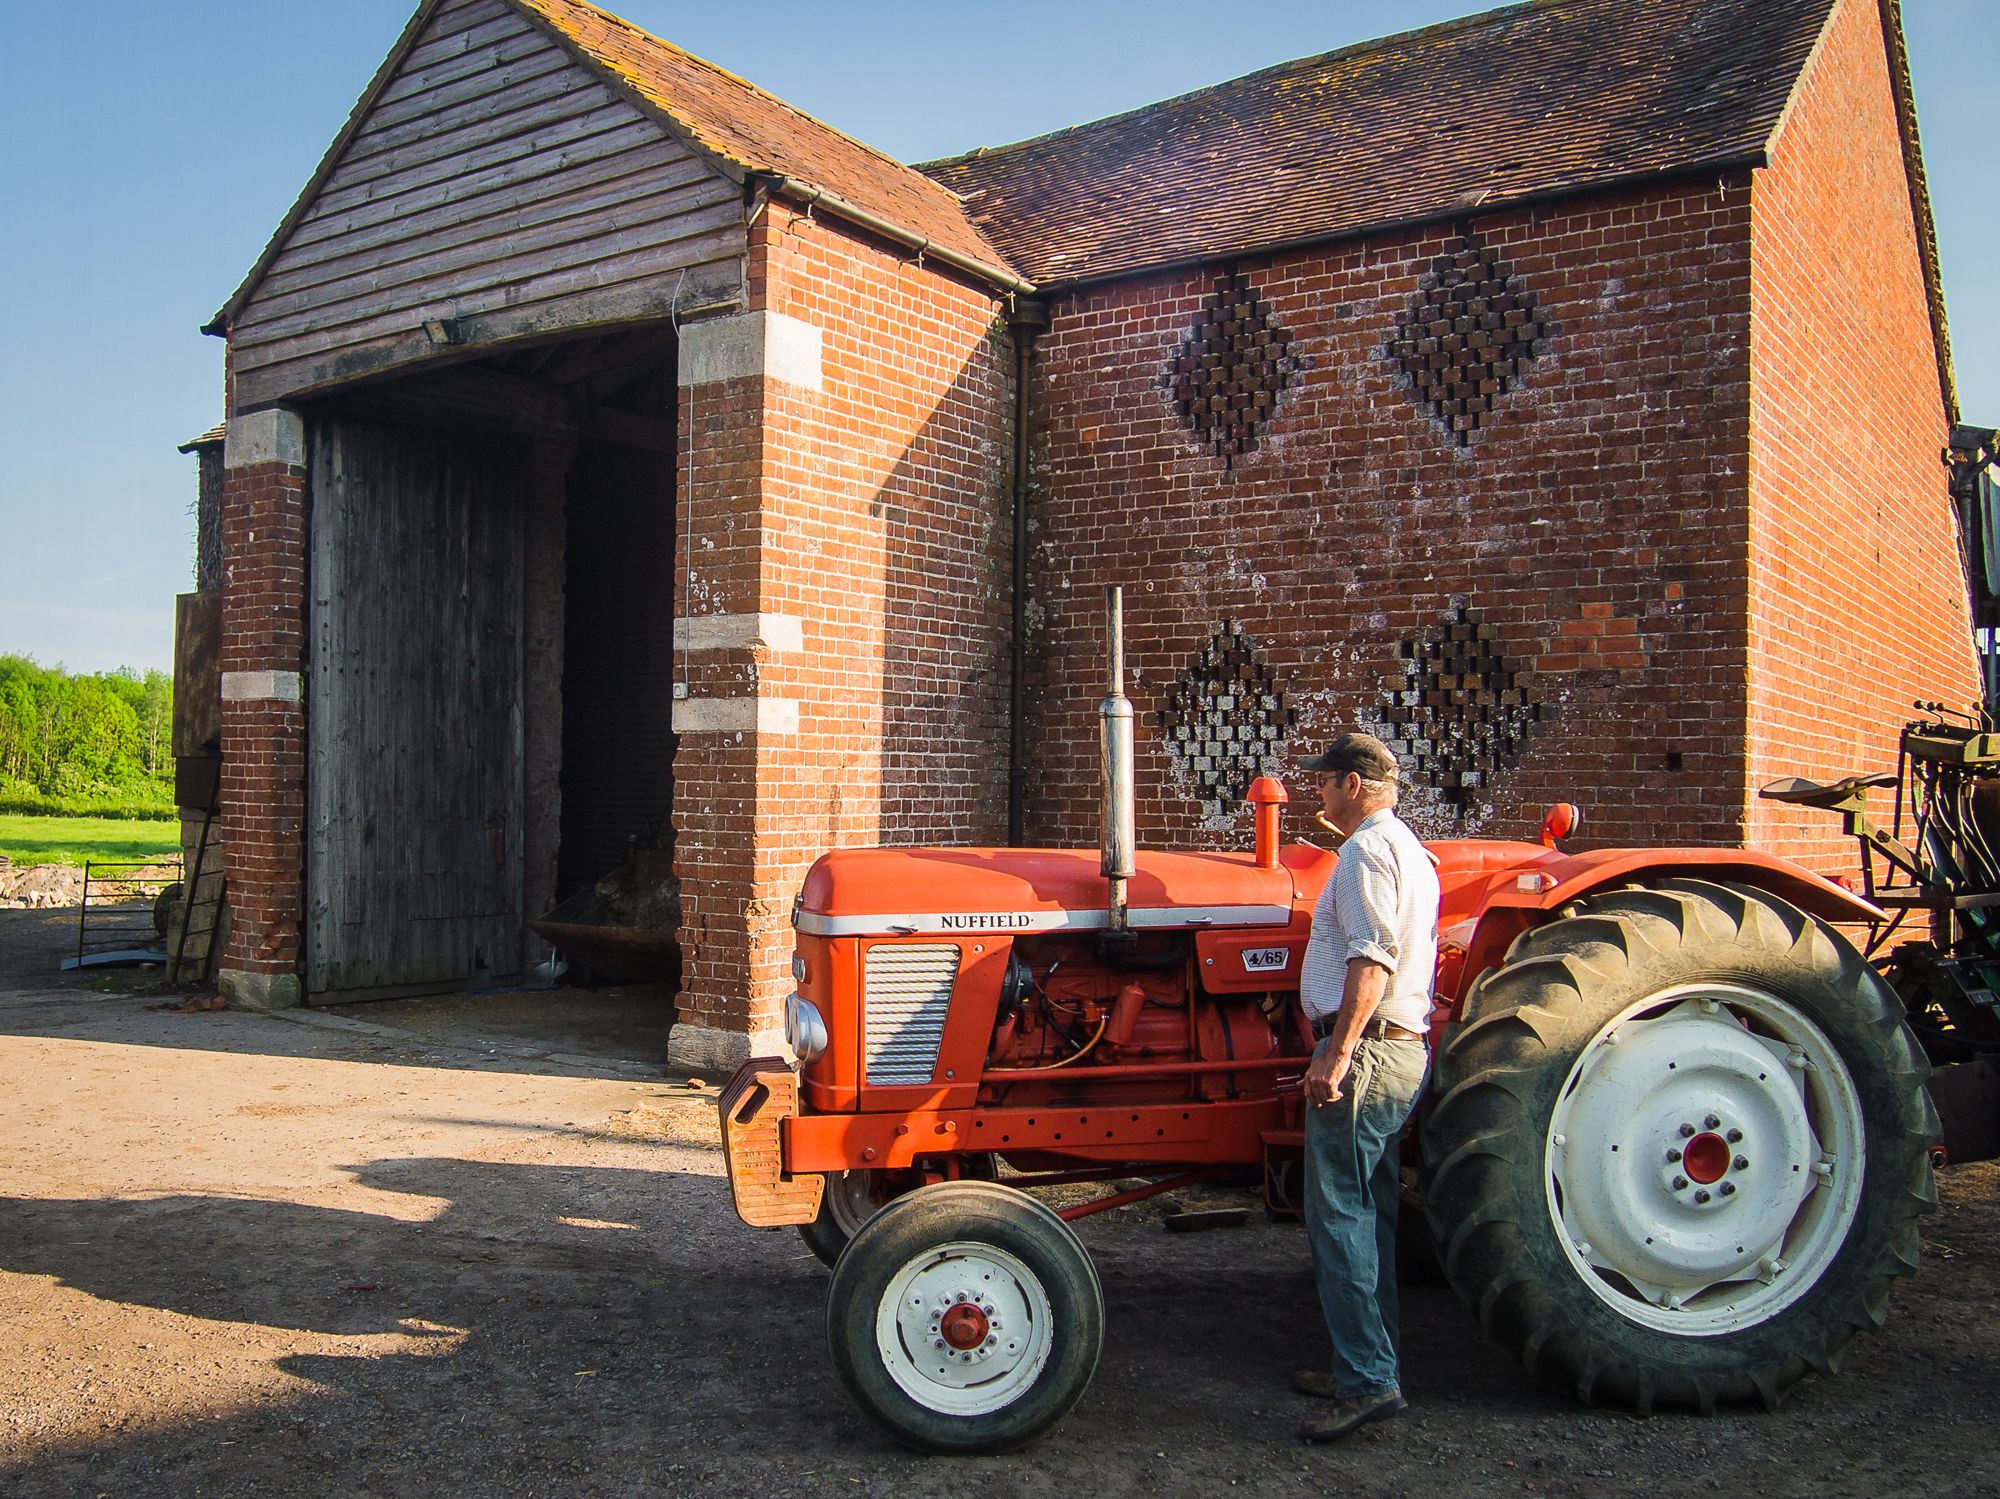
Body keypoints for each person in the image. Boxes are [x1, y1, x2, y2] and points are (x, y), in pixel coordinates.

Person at [1293, 731, 1440, 1443]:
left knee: (1339, 1216)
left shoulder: (1362, 853)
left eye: (1324, 781)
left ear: (1352, 783)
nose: (1319, 792)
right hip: (1399, 1049)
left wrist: (1337, 1053)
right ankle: (1366, 1358)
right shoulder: (1412, 849)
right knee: (1372, 1213)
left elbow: (1371, 956)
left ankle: (1367, 1380)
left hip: (1369, 1052)